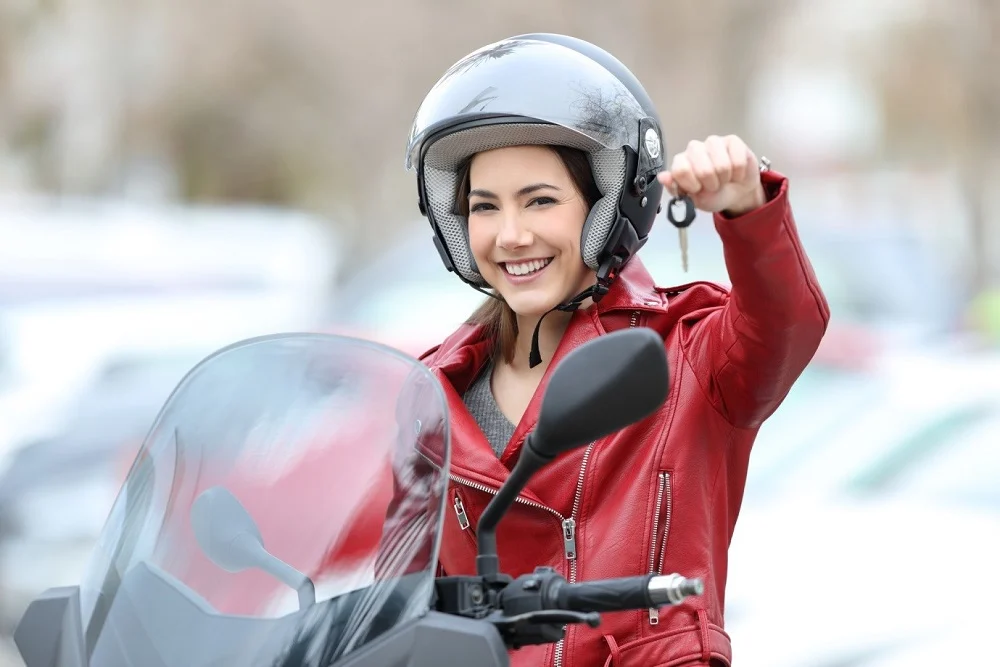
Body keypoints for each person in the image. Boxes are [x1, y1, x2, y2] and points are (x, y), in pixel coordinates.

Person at [402, 33, 830, 667]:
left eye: (540, 200)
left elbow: (786, 325)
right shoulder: (423, 394)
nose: (511, 234)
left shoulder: (686, 351)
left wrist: (748, 207)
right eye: (484, 206)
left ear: (607, 203)